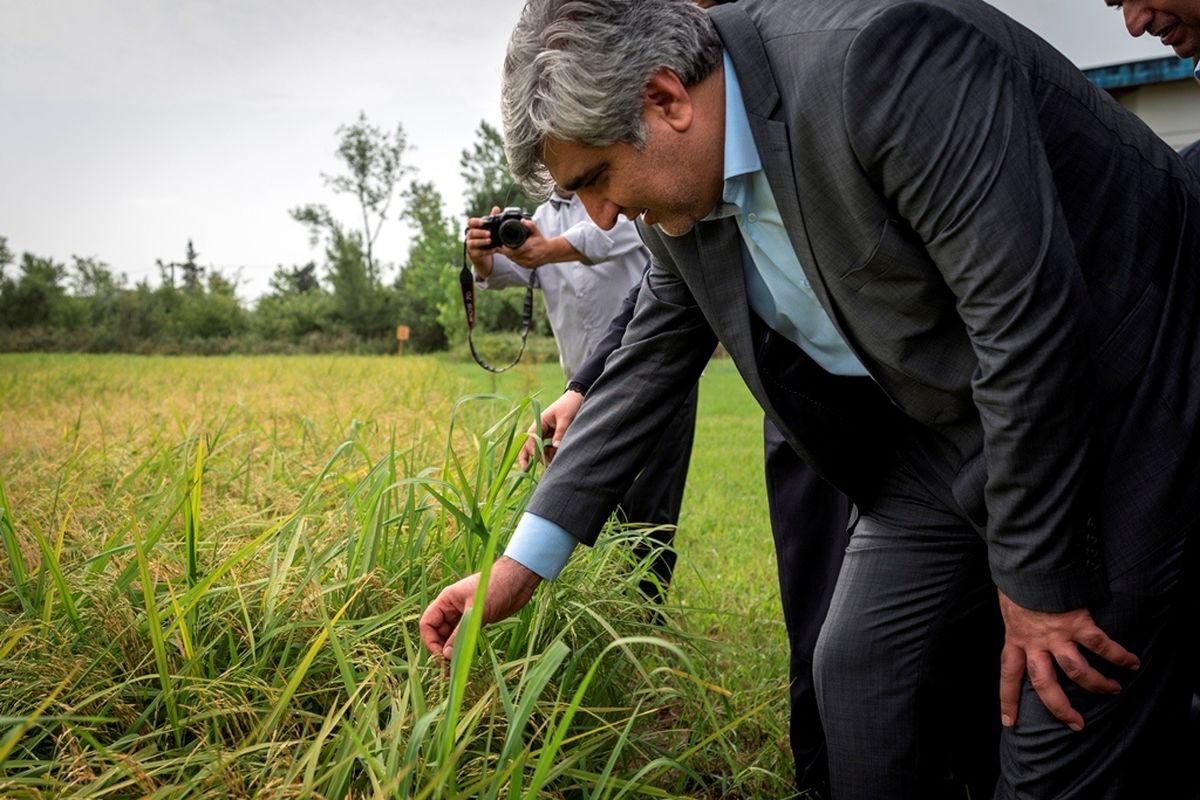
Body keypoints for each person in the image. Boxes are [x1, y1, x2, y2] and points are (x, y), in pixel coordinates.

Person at [422, 1, 1200, 797]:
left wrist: (1039, 586)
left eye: (595, 179)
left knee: (1056, 719)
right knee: (863, 676)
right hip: (944, 435)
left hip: (1121, 397)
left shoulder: (878, 64)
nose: (602, 215)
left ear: (665, 100)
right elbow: (645, 362)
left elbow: (1026, 326)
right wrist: (518, 571)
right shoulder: (678, 197)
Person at [524, 278, 863, 797]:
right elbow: (659, 303)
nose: (609, 215)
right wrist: (581, 385)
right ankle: (821, 780)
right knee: (815, 615)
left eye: (595, 188)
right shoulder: (673, 228)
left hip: (936, 403)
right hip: (801, 405)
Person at [467, 189, 696, 603]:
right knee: (594, 503)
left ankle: (646, 616)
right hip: (578, 389)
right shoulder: (541, 216)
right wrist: (485, 258)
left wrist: (544, 249)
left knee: (649, 511)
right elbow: (514, 270)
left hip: (651, 375)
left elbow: (602, 237)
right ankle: (605, 609)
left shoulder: (620, 193)